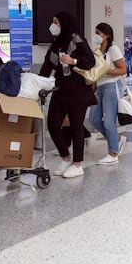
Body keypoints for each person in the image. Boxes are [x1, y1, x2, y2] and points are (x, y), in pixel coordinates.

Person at [38, 12, 96, 178]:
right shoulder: (55, 44)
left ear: (64, 23)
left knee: (76, 127)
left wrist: (74, 61)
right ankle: (65, 157)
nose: (53, 25)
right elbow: (47, 66)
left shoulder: (77, 39)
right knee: (53, 123)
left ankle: (78, 164)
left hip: (78, 92)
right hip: (60, 90)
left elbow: (90, 60)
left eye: (56, 22)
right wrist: (37, 82)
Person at [89, 23, 127, 165]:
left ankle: (113, 153)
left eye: (99, 33)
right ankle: (116, 140)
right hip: (99, 87)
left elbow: (122, 69)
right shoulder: (97, 51)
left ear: (107, 35)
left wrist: (105, 71)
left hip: (112, 86)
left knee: (109, 120)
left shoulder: (113, 49)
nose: (96, 36)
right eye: (95, 32)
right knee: (94, 119)